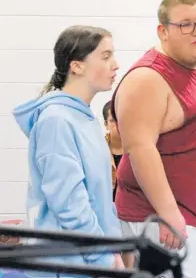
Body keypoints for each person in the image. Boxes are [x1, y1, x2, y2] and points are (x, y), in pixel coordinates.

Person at [110, 0, 196, 278]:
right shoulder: (146, 79)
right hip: (165, 219)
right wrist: (168, 214)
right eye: (186, 25)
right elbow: (140, 149)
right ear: (163, 31)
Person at [12, 25, 124, 276]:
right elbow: (70, 205)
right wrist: (103, 259)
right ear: (77, 66)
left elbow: (100, 199)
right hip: (66, 265)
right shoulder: (56, 121)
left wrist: (113, 248)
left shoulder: (85, 118)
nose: (115, 64)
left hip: (93, 258)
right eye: (105, 57)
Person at [103, 101, 123, 202]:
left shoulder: (137, 150)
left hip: (130, 210)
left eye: (121, 119)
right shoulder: (97, 150)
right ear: (105, 124)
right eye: (112, 120)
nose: (118, 125)